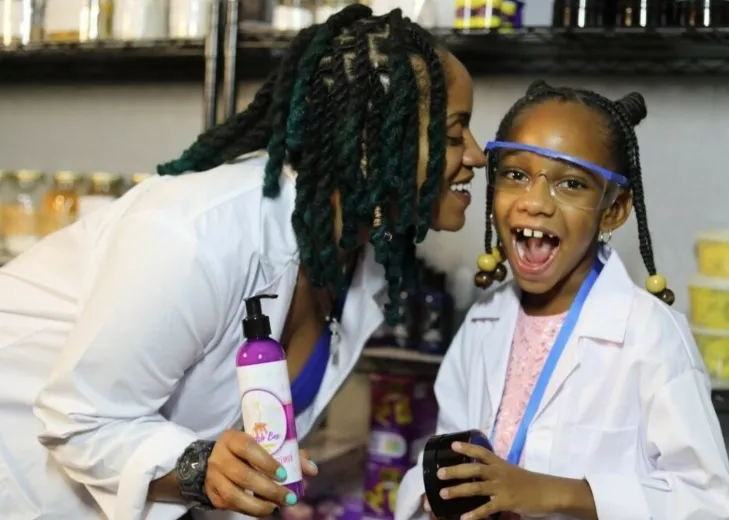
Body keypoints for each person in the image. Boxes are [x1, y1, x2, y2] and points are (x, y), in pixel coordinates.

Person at [0, 6, 485, 520]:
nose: (477, 156)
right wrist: (201, 472)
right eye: (456, 134)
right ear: (373, 140)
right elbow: (79, 419)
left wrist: (254, 490)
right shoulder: (197, 233)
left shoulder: (362, 262)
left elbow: (242, 432)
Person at [395, 80, 729, 520]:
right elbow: (447, 452)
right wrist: (438, 493)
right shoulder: (484, 320)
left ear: (613, 209)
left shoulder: (651, 336)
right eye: (516, 175)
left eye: (572, 183)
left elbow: (709, 501)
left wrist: (549, 493)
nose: (535, 202)